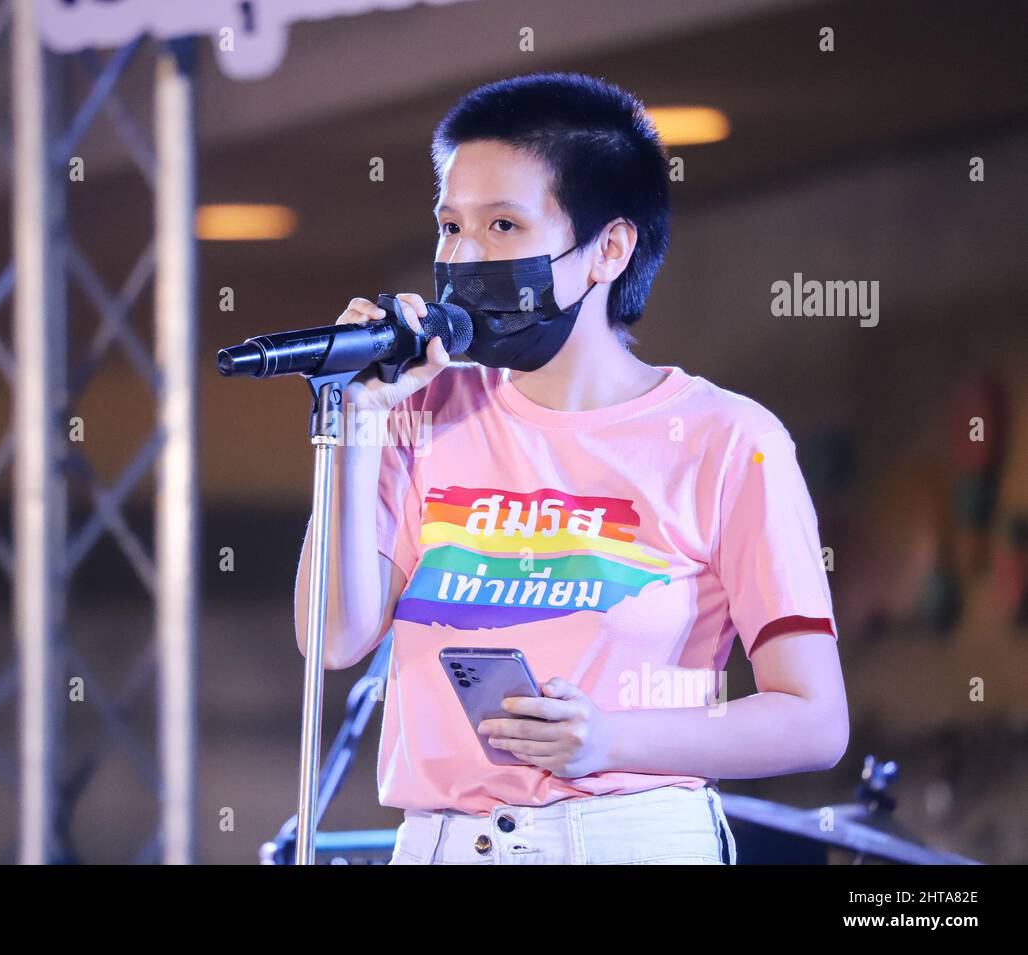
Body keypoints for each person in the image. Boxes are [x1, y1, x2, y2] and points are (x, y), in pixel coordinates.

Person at [293, 72, 848, 865]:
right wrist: (359, 429)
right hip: (442, 842)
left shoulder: (728, 438)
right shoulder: (418, 410)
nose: (464, 255)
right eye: (451, 226)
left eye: (504, 225)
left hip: (629, 837)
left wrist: (611, 737)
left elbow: (815, 718)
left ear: (609, 249)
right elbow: (334, 636)